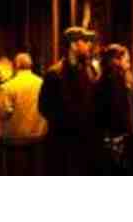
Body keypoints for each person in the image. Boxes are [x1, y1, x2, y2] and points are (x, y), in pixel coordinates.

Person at [38, 26, 99, 175]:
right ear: (73, 45)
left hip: (86, 142)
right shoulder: (55, 74)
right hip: (64, 144)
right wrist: (67, 121)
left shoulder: (90, 70)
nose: (89, 45)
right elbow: (44, 107)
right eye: (85, 41)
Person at [0, 52, 47, 175]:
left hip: (15, 142)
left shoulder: (8, 87)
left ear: (16, 65)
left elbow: (2, 112)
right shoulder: (42, 83)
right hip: (38, 140)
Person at [96, 44, 133, 175]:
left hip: (118, 136)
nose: (129, 64)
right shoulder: (113, 81)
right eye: (127, 60)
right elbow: (116, 111)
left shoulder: (118, 79)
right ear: (116, 61)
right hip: (116, 138)